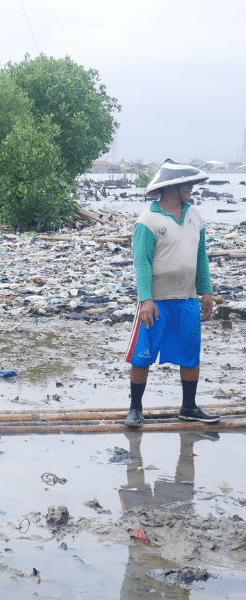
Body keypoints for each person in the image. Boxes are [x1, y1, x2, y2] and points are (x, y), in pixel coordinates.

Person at [124, 159, 219, 428]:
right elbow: (141, 262)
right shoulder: (148, 220)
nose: (190, 188)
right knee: (143, 355)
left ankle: (189, 407)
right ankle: (135, 409)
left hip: (187, 299)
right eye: (185, 184)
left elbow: (201, 257)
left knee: (190, 353)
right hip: (156, 302)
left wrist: (206, 292)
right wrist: (146, 299)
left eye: (190, 183)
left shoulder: (195, 216)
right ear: (169, 188)